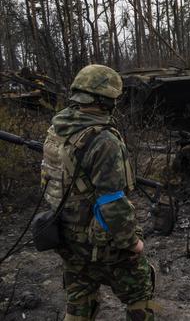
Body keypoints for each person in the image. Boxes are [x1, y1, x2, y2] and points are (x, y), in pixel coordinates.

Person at [41, 64, 156, 320]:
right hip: (100, 244)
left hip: (66, 236)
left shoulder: (58, 128)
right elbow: (112, 202)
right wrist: (132, 243)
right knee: (141, 294)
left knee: (79, 301)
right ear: (107, 101)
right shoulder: (104, 140)